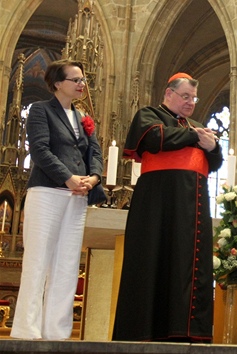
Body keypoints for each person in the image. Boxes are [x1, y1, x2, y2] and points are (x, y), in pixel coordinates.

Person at [112, 73, 222, 342]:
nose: (191, 103)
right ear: (168, 94)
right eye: (185, 96)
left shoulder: (197, 127)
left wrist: (213, 145)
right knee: (155, 262)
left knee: (190, 265)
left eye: (194, 98)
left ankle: (187, 333)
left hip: (193, 208)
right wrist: (196, 136)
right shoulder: (149, 114)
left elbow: (215, 162)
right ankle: (148, 331)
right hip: (158, 206)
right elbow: (154, 139)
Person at [11, 59, 103, 340]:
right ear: (57, 84)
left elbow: (95, 154)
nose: (81, 84)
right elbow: (39, 150)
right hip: (47, 192)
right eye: (75, 79)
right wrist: (68, 178)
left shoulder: (83, 117)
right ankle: (27, 331)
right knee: (38, 261)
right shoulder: (41, 110)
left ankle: (57, 332)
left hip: (76, 196)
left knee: (67, 265)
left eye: (83, 80)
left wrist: (94, 178)